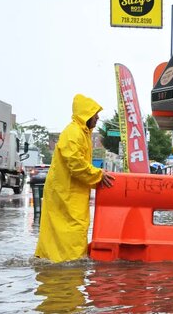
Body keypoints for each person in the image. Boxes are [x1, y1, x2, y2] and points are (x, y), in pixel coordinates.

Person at [35, 94, 114, 263]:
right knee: (72, 230)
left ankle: (58, 262)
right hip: (65, 193)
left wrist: (96, 175)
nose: (98, 117)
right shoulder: (73, 133)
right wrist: (98, 174)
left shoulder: (81, 133)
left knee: (69, 230)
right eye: (95, 113)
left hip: (70, 193)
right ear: (86, 114)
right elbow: (75, 163)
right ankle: (68, 267)